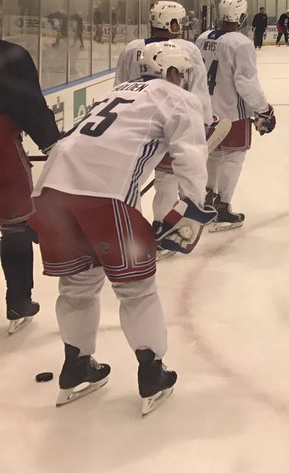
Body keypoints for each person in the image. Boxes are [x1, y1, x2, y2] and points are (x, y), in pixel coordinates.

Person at [30, 40, 209, 415]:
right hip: (105, 197)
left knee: (78, 285)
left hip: (51, 192)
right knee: (137, 290)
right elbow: (190, 156)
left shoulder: (115, 92)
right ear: (174, 71)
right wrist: (193, 206)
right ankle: (153, 373)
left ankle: (77, 365)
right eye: (184, 73)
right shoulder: (177, 97)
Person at [114, 1, 214, 228]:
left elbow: (119, 85)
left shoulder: (131, 48)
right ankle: (164, 225)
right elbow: (199, 89)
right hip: (172, 122)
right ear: (172, 22)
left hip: (134, 125)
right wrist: (205, 123)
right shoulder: (187, 49)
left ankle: (128, 227)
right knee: (168, 178)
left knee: (130, 182)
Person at [197, 0, 275, 231]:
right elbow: (246, 82)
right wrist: (264, 109)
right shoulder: (240, 43)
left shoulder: (202, 38)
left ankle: (207, 201)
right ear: (242, 16)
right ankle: (222, 207)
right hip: (232, 112)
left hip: (205, 111)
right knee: (234, 156)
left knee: (213, 155)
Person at [0, 38, 61, 334]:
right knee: (15, 225)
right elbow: (31, 107)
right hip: (2, 151)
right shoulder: (10, 55)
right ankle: (19, 300)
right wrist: (53, 144)